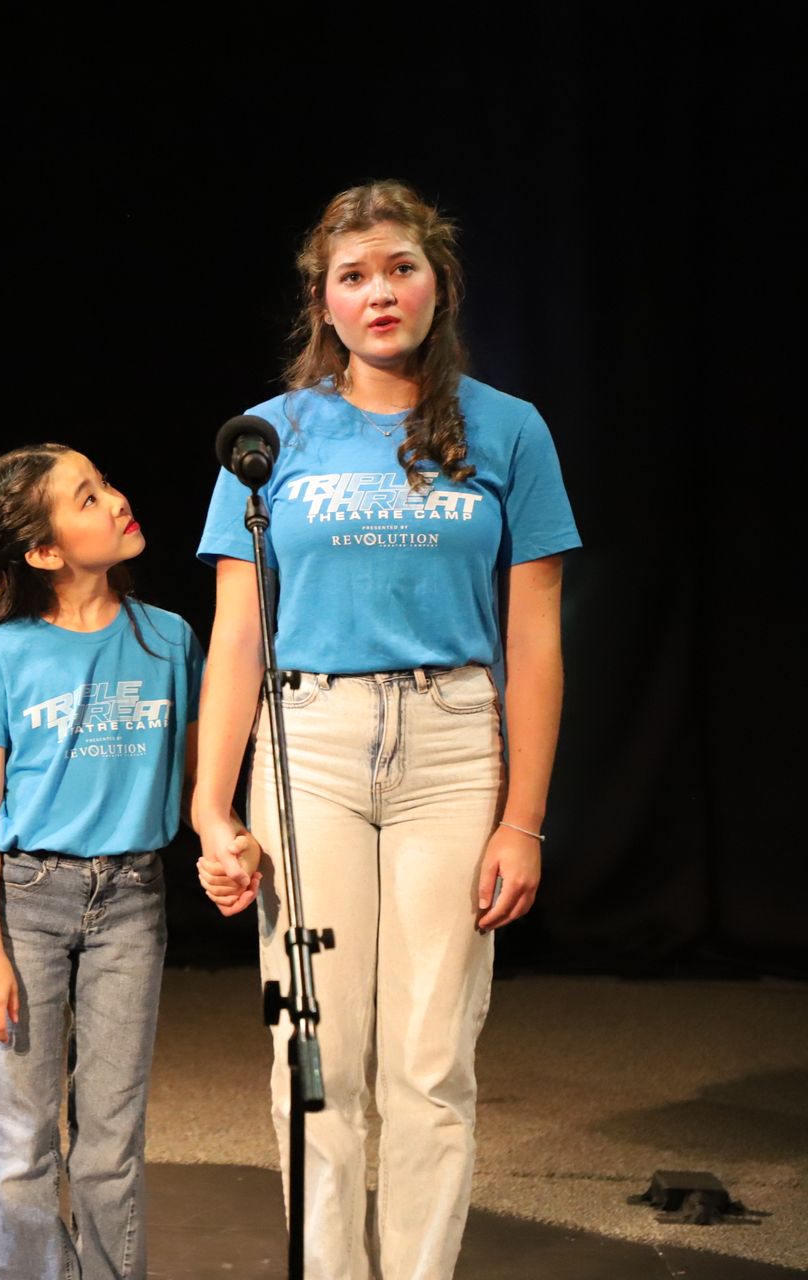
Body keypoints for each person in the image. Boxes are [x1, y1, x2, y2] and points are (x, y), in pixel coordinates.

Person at [192, 180, 580, 1278]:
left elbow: (538, 638)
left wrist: (525, 819)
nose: (379, 292)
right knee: (316, 1054)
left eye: (400, 267)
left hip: (455, 746)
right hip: (309, 741)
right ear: (322, 298)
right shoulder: (270, 436)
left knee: (431, 1056)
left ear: (438, 282)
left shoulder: (510, 429)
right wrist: (210, 804)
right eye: (353, 275)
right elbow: (236, 636)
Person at [0, 444, 249, 1280]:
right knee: (20, 1143)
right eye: (87, 497)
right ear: (44, 550)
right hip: (28, 901)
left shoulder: (169, 640)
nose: (116, 500)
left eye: (106, 482)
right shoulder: (2, 654)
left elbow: (202, 783)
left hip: (131, 902)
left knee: (111, 1144)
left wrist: (232, 834)